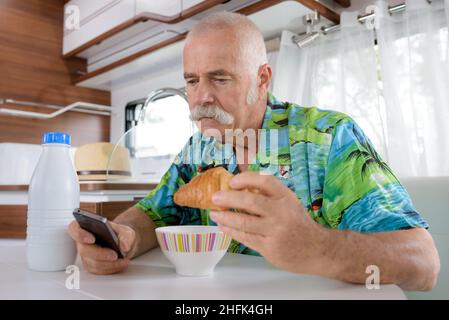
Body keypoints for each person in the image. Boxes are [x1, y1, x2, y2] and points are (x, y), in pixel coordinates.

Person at [68, 12, 440, 291]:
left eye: (219, 78)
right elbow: (153, 214)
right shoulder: (198, 151)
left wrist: (315, 246)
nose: (201, 99)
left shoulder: (329, 137)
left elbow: (423, 264)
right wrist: (122, 236)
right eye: (192, 81)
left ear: (262, 79)